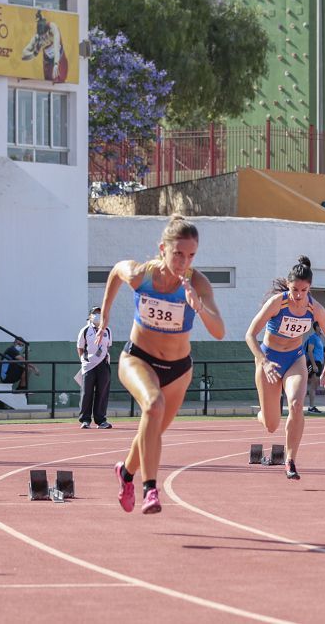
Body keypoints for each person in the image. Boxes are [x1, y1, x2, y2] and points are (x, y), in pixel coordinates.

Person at [99, 215, 225, 514]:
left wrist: (199, 307)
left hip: (179, 370)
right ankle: (150, 490)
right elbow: (117, 270)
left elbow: (219, 331)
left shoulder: (198, 283)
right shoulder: (142, 275)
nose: (184, 261)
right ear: (162, 249)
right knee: (153, 406)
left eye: (191, 255)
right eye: (178, 253)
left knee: (152, 431)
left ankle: (126, 474)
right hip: (138, 358)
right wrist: (105, 314)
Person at [246, 256, 325, 480]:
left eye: (304, 290)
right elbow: (250, 335)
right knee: (271, 424)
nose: (298, 295)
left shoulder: (316, 309)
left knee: (296, 404)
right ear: (288, 286)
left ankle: (290, 460)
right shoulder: (278, 303)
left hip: (295, 360)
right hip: (269, 360)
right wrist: (263, 361)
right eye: (295, 289)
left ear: (310, 288)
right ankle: (262, 414)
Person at [77, 307, 112, 429]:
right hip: (89, 365)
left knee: (102, 392)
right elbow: (80, 347)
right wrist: (83, 359)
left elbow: (108, 346)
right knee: (87, 392)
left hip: (103, 364)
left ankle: (101, 420)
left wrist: (104, 358)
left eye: (99, 313)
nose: (97, 315)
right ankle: (85, 420)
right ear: (90, 316)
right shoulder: (85, 330)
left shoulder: (107, 330)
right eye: (95, 313)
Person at [303, 321, 325, 414]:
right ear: (316, 327)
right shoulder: (313, 337)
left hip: (318, 363)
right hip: (314, 363)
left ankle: (311, 406)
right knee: (312, 385)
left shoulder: (319, 338)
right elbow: (309, 351)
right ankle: (311, 407)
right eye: (321, 326)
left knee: (315, 386)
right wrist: (314, 364)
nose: (323, 328)